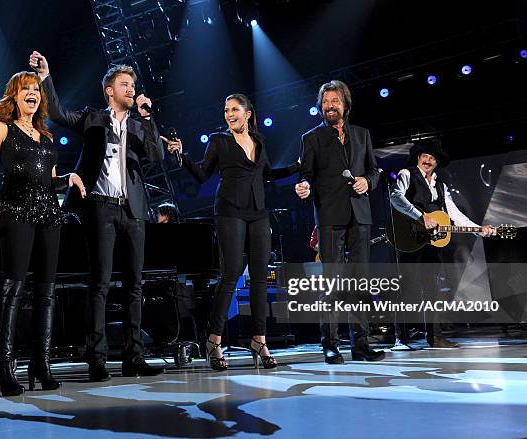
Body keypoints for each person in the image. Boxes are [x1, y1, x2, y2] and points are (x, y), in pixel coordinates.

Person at [29, 51, 165, 380]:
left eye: (133, 85)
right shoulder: (93, 119)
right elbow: (59, 113)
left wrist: (147, 118)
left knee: (135, 284)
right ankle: (97, 359)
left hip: (132, 211)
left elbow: (157, 157)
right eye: (125, 85)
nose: (131, 90)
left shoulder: (138, 124)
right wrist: (47, 78)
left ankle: (135, 357)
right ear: (109, 90)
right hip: (100, 208)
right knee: (100, 284)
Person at [0, 71, 86, 396]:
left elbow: (48, 180)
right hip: (16, 213)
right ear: (14, 96)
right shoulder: (0, 127)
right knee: (13, 289)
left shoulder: (45, 136)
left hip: (49, 215)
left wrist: (68, 178)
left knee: (47, 292)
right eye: (26, 90)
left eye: (36, 89)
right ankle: (3, 366)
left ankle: (40, 363)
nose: (32, 93)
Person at [165, 93, 299, 371]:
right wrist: (182, 155)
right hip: (229, 211)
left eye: (235, 109)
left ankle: (259, 340)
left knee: (260, 277)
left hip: (258, 212)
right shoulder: (219, 141)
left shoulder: (259, 141)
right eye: (226, 110)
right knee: (231, 274)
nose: (229, 114)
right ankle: (213, 340)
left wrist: (298, 167)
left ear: (248, 113)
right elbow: (202, 175)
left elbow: (268, 175)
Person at [296, 79, 385, 364]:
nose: (329, 106)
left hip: (360, 215)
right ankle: (330, 343)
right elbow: (306, 174)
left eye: (334, 101)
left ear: (345, 105)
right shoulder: (311, 138)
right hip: (329, 216)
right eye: (325, 102)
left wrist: (366, 182)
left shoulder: (362, 134)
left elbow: (374, 170)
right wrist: (304, 186)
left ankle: (361, 344)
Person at [390, 139, 496, 348]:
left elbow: (454, 214)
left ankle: (434, 336)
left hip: (432, 242)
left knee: (432, 289)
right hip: (409, 238)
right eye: (425, 156)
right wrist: (421, 216)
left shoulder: (441, 185)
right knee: (407, 287)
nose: (428, 160)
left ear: (437, 163)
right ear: (418, 158)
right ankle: (400, 338)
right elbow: (395, 197)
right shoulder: (406, 174)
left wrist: (478, 230)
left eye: (432, 158)